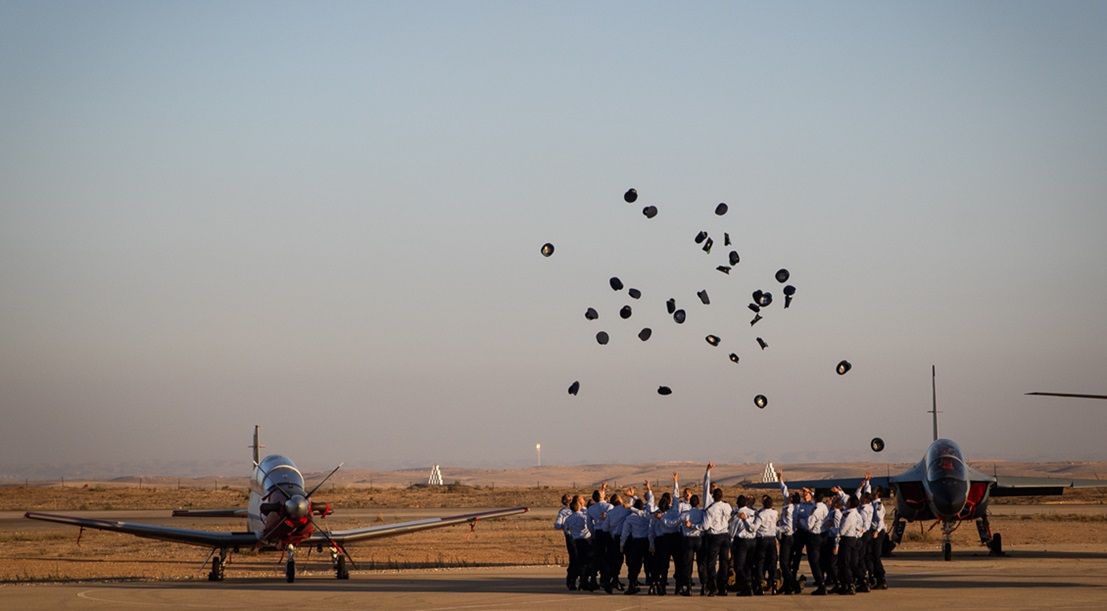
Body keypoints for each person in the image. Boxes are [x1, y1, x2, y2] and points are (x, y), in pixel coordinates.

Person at [701, 463, 732, 596]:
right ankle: (722, 586)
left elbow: (706, 526)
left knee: (712, 562)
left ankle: (714, 586)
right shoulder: (727, 506)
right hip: (725, 535)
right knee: (724, 561)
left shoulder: (711, 508)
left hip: (714, 536)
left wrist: (707, 471)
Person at [563, 496, 597, 591]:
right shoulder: (583, 517)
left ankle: (574, 581)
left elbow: (566, 529)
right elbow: (589, 526)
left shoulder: (569, 519)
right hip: (586, 540)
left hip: (576, 540)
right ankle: (584, 581)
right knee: (588, 561)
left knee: (579, 561)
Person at [619, 498, 653, 594]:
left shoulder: (630, 518)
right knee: (649, 563)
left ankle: (632, 584)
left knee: (634, 565)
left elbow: (625, 532)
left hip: (636, 543)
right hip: (646, 541)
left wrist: (622, 544)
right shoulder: (647, 516)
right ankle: (651, 583)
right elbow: (651, 530)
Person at [729, 495, 757, 596]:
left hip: (741, 541)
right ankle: (747, 585)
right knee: (748, 565)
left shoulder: (738, 515)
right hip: (753, 540)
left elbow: (732, 531)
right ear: (746, 503)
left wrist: (731, 542)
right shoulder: (753, 513)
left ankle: (746, 583)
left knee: (738, 566)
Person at [805, 488, 829, 595]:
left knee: (814, 562)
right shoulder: (825, 506)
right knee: (822, 560)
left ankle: (821, 584)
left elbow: (809, 525)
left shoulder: (815, 509)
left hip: (815, 537)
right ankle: (823, 580)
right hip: (824, 535)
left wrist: (802, 521)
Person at [754, 494, 779, 595]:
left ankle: (760, 583)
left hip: (763, 539)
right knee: (772, 561)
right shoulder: (775, 512)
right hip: (772, 538)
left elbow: (755, 527)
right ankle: (773, 582)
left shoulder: (761, 514)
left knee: (760, 562)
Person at [554, 493, 579, 590]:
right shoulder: (564, 512)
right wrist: (565, 526)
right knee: (574, 558)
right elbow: (557, 525)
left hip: (580, 537)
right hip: (571, 537)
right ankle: (571, 580)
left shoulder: (580, 510)